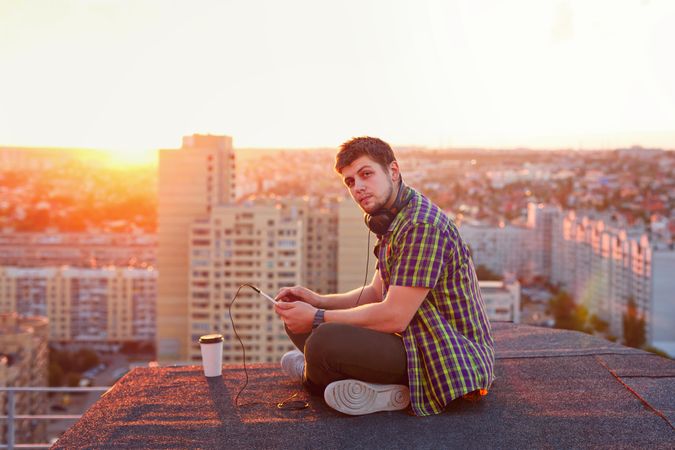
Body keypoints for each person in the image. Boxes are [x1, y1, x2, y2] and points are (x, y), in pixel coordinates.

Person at [274, 136, 495, 416]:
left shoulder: (420, 226)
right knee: (297, 321)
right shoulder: (393, 221)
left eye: (366, 174)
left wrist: (318, 316)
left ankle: (312, 372)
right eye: (350, 182)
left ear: (393, 171)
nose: (358, 187)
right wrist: (318, 301)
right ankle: (372, 388)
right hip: (413, 341)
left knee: (321, 341)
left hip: (446, 357)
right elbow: (375, 294)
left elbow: (394, 316)